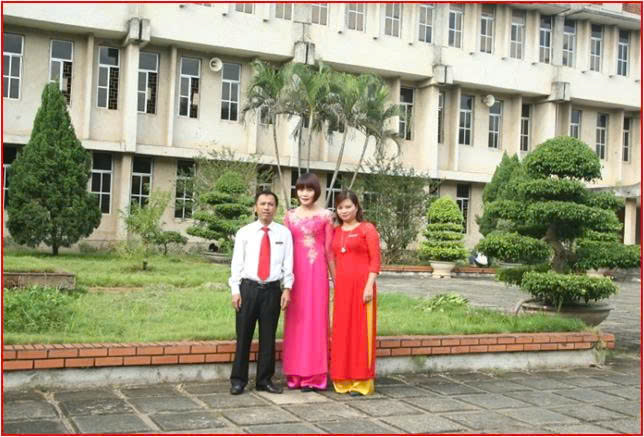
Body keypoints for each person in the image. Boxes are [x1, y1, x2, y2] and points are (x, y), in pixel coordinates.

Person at [228, 191, 293, 395]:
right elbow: (236, 264)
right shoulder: (244, 232)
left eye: (271, 204)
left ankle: (264, 380)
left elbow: (288, 264)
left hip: (272, 290)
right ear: (255, 207)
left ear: (276, 208)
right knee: (243, 336)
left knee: (268, 337)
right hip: (248, 289)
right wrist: (235, 290)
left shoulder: (284, 234)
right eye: (263, 203)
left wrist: (287, 289)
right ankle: (238, 380)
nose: (267, 207)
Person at [282, 173, 335, 392]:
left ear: (316, 192)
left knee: (316, 322)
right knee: (295, 322)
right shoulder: (289, 216)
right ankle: (295, 374)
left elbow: (329, 250)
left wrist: (336, 280)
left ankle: (315, 376)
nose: (305, 193)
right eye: (301, 189)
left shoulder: (326, 216)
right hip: (295, 275)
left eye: (309, 189)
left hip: (317, 274)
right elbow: (285, 249)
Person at [330, 190, 381, 396]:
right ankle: (343, 379)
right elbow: (332, 259)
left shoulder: (367, 229)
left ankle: (362, 382)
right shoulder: (335, 232)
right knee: (342, 333)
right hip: (342, 289)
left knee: (361, 334)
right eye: (340, 207)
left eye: (348, 206)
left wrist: (369, 286)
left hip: (363, 287)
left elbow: (375, 260)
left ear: (357, 207)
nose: (344, 211)